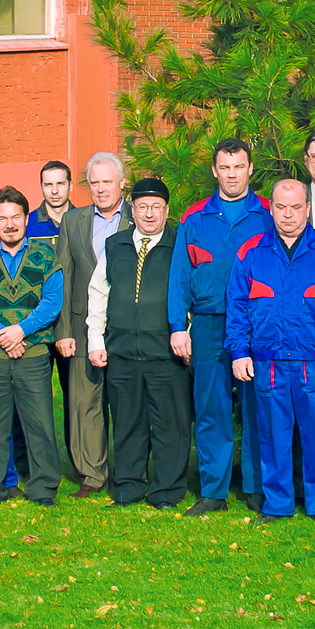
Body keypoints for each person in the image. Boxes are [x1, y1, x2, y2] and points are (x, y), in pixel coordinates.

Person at [229, 180, 315, 522]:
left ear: (307, 208)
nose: (288, 215)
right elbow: (237, 306)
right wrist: (239, 351)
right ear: (270, 208)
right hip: (268, 362)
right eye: (281, 207)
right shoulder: (250, 252)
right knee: (272, 437)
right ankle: (277, 505)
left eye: (296, 207)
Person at [168, 138, 273, 515]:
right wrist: (178, 326)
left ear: (250, 169)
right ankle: (213, 490)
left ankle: (258, 488)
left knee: (257, 407)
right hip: (209, 324)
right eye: (224, 168)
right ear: (215, 170)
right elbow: (180, 275)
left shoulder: (267, 213)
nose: (232, 174)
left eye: (239, 167)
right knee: (210, 407)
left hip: (256, 325)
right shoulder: (194, 217)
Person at [88, 178, 189, 508]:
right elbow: (98, 293)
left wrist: (186, 331)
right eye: (142, 206)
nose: (149, 214)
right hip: (122, 354)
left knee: (169, 427)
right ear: (132, 210)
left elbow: (192, 294)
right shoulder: (115, 246)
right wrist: (95, 340)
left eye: (156, 207)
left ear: (167, 210)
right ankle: (128, 487)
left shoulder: (179, 245)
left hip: (166, 355)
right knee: (128, 425)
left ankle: (167, 491)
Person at [0, 186, 66, 509]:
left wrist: (21, 330)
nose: (10, 224)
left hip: (32, 351)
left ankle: (43, 488)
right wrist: (1, 334)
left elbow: (52, 301)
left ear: (26, 218)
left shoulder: (46, 255)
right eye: (2, 218)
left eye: (16, 217)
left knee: (39, 423)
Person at [56, 153, 127, 498]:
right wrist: (64, 331)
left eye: (107, 182)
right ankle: (92, 473)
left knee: (128, 401)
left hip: (129, 324)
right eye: (94, 183)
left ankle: (130, 470)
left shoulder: (138, 216)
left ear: (121, 183)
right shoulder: (73, 221)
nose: (100, 189)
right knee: (86, 401)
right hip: (83, 325)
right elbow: (63, 278)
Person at [27, 160, 76, 241]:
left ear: (70, 186)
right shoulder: (28, 224)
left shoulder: (83, 222)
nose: (54, 191)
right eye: (48, 185)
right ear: (41, 188)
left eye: (60, 184)